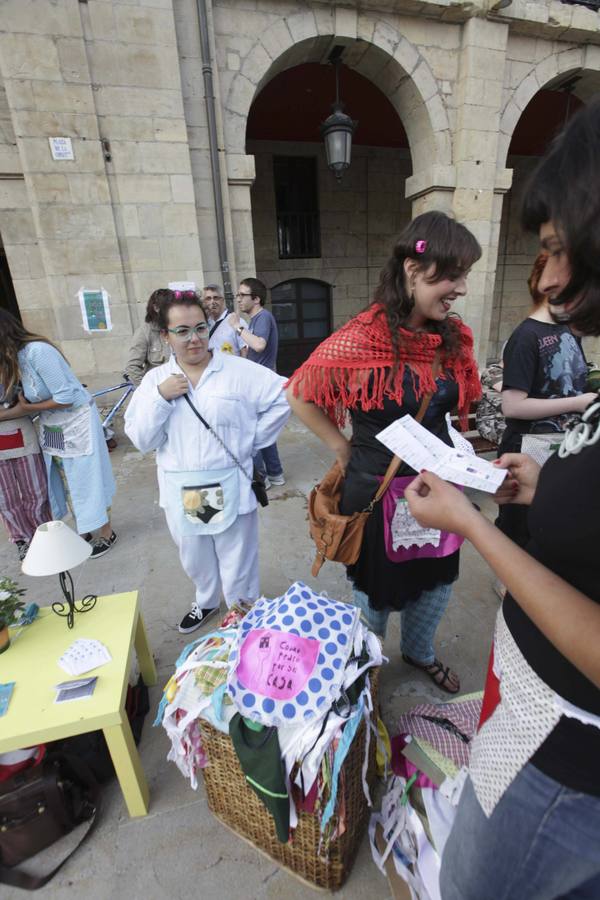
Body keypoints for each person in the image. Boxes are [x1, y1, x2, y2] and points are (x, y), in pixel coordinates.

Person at [405, 101, 600, 900]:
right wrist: (545, 482)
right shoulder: (364, 340)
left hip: (562, 756)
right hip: (532, 711)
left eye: (557, 248)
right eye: (446, 278)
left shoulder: (465, 342)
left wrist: (473, 528)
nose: (548, 279)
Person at [286, 211, 482, 693]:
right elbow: (300, 392)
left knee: (437, 581)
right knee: (375, 592)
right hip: (378, 490)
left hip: (437, 487)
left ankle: (419, 652)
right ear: (414, 271)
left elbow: (455, 408)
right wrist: (341, 446)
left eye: (464, 276)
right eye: (452, 275)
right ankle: (366, 666)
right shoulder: (360, 338)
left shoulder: (451, 339)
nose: (460, 288)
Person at [124, 290, 289, 634]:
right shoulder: (156, 381)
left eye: (200, 328)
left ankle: (244, 615)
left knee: (238, 558)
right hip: (183, 488)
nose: (194, 338)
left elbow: (284, 395)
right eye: (182, 331)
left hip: (230, 481)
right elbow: (142, 439)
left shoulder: (238, 370)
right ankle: (207, 600)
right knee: (195, 557)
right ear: (166, 336)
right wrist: (159, 398)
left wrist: (252, 441)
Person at [496, 251, 594, 549]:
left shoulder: (569, 331)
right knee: (520, 528)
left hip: (561, 447)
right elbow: (512, 405)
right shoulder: (526, 336)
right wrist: (577, 403)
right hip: (527, 449)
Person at [0, 310, 117, 558]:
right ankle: (84, 528)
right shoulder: (15, 359)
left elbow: (65, 397)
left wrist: (27, 408)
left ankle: (106, 532)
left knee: (86, 478)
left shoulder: (37, 352)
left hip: (76, 422)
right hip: (53, 425)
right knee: (64, 478)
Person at [227, 277, 285, 487]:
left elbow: (259, 345)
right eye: (238, 295)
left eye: (242, 295)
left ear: (257, 299)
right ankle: (275, 474)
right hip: (259, 383)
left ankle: (261, 479)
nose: (239, 299)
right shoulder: (258, 319)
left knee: (250, 432)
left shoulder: (263, 317)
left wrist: (237, 327)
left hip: (259, 386)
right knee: (263, 431)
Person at [0, 390, 52, 560]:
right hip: (16, 432)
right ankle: (22, 540)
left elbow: (27, 407)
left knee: (36, 492)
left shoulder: (14, 370)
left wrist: (13, 412)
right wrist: (12, 412)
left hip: (22, 436)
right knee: (5, 499)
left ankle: (44, 534)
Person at [125, 288, 172, 386]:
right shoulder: (144, 332)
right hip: (159, 392)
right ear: (156, 308)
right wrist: (149, 391)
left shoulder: (177, 327)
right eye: (169, 307)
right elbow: (132, 367)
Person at [202, 284, 244, 356]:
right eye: (208, 298)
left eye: (216, 298)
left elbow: (245, 349)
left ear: (222, 300)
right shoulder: (204, 325)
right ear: (204, 302)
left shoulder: (237, 321)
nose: (213, 302)